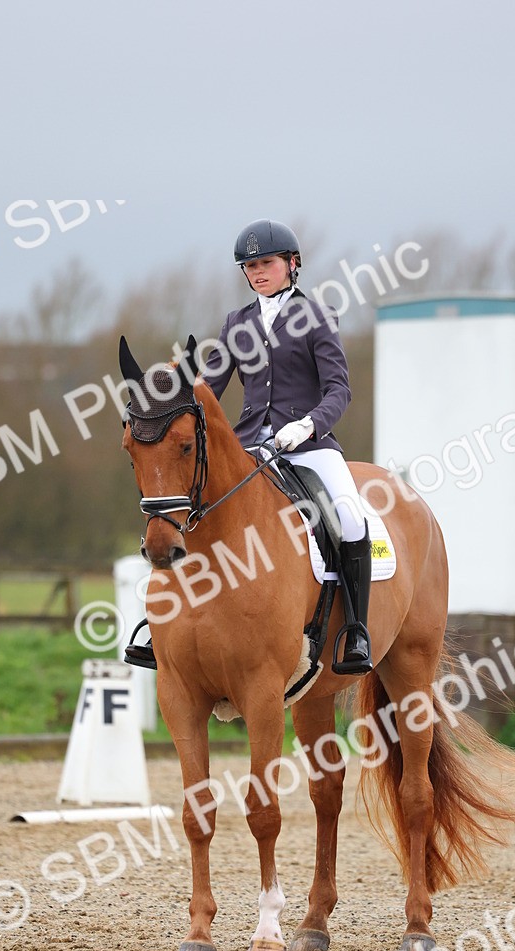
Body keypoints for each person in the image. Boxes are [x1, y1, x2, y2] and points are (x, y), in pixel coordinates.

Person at [201, 218, 373, 675]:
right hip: (250, 448)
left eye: (266, 263)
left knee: (350, 519)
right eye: (250, 266)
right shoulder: (236, 324)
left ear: (292, 264)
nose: (258, 272)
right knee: (187, 510)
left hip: (308, 446)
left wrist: (309, 425)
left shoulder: (316, 316)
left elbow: (340, 390)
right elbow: (208, 391)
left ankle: (356, 629)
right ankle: (163, 626)